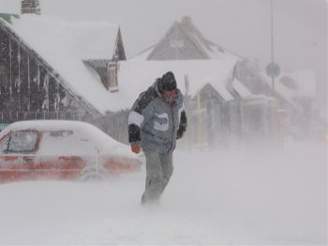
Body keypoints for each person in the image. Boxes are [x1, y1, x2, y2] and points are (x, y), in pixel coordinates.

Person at [128, 71, 187, 205]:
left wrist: (182, 126)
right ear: (162, 89)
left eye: (173, 93)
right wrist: (134, 140)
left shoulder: (178, 98)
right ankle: (150, 206)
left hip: (167, 144)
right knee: (156, 176)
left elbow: (182, 111)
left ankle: (150, 198)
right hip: (151, 143)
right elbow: (134, 116)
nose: (171, 96)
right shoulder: (149, 99)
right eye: (168, 93)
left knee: (167, 172)